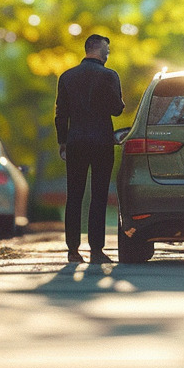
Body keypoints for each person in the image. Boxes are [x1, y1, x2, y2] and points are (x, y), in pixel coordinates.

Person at [54, 33, 125, 263]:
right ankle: (96, 250)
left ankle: (73, 250)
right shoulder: (109, 76)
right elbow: (117, 109)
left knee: (73, 196)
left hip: (75, 142)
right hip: (102, 142)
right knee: (99, 196)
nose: (108, 53)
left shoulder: (67, 77)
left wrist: (62, 142)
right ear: (97, 49)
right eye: (107, 49)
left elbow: (60, 114)